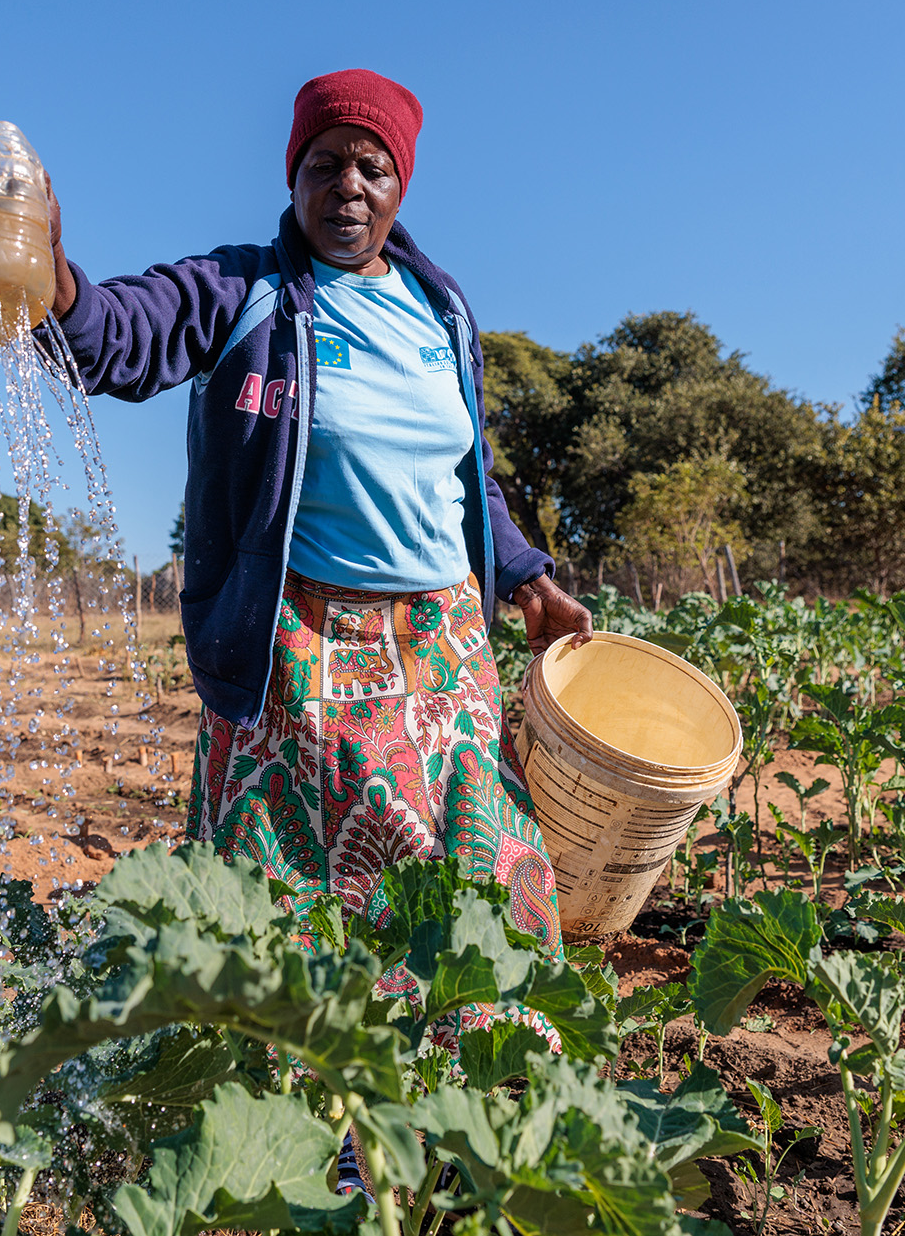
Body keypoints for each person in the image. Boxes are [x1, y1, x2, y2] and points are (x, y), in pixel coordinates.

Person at [32, 66, 590, 956]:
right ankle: (298, 1077)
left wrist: (526, 577)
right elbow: (119, 336)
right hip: (298, 644)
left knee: (479, 875)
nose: (347, 187)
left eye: (372, 167)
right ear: (292, 177)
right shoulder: (238, 292)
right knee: (296, 899)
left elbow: (465, 466)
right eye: (324, 164)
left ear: (400, 186)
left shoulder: (442, 310)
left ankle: (481, 1062)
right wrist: (54, 282)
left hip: (445, 642)